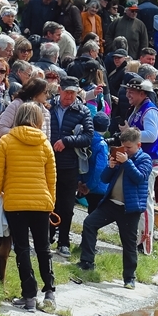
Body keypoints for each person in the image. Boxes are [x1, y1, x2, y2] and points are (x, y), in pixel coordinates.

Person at [0, 102, 57, 312]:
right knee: (43, 247)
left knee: (22, 249)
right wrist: (51, 202)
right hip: (41, 202)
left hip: (15, 202)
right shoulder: (45, 143)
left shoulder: (7, 141)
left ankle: (29, 297)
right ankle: (49, 292)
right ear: (38, 120)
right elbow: (52, 178)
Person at [78, 127, 153, 288]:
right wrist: (110, 166)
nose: (124, 150)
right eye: (123, 147)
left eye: (128, 148)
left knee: (128, 243)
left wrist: (127, 162)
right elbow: (104, 179)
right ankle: (87, 262)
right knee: (89, 224)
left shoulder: (145, 159)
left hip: (130, 209)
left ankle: (129, 278)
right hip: (111, 204)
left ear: (138, 145)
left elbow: (139, 178)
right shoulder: (119, 157)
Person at [47, 76, 93, 257]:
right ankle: (47, 238)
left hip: (69, 165)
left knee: (66, 205)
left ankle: (63, 241)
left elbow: (88, 136)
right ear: (59, 90)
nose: (69, 96)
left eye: (73, 93)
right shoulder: (48, 107)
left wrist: (67, 141)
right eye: (67, 92)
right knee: (48, 202)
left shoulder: (82, 111)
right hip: (48, 162)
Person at [124, 78, 158, 252]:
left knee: (145, 202)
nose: (128, 95)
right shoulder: (138, 108)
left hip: (148, 163)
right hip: (137, 161)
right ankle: (137, 239)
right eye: (127, 91)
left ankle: (146, 245)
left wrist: (129, 133)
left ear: (142, 93)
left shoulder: (150, 111)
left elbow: (151, 135)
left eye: (131, 92)